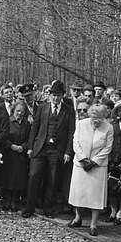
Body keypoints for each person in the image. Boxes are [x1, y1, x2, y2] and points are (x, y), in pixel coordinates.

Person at [22, 81, 75, 218]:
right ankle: (29, 207)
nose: (55, 98)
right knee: (34, 176)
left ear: (62, 95)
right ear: (49, 95)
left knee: (52, 179)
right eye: (53, 95)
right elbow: (35, 128)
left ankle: (48, 208)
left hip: (57, 150)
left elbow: (71, 132)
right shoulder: (42, 108)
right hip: (40, 148)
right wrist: (30, 147)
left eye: (58, 95)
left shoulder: (69, 110)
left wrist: (68, 151)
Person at [67, 104, 113, 236]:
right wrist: (83, 159)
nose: (96, 121)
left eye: (99, 118)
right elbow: (75, 142)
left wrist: (94, 162)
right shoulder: (81, 124)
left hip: (97, 166)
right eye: (94, 118)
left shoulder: (108, 127)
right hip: (81, 164)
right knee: (79, 193)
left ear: (104, 117)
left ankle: (93, 224)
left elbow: (108, 147)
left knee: (95, 196)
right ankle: (77, 218)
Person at [0, 100, 31, 211]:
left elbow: (29, 139)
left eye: (22, 111)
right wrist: (11, 146)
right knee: (8, 178)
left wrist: (23, 147)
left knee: (19, 179)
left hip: (21, 155)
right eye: (17, 111)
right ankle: (6, 200)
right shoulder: (7, 121)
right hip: (9, 154)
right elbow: (2, 137)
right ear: (13, 111)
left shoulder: (27, 124)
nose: (19, 114)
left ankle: (15, 200)